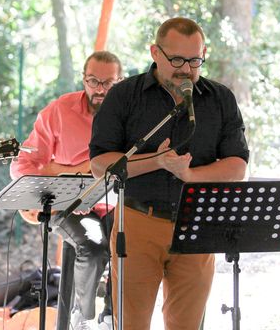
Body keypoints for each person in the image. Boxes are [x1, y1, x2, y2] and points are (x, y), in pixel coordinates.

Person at [89, 17, 249, 330]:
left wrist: (190, 175)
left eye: (194, 60)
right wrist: (157, 160)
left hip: (197, 226)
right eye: (176, 59)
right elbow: (100, 165)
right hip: (137, 224)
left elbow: (237, 166)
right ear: (155, 52)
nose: (186, 69)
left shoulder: (220, 99)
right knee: (131, 324)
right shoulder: (124, 95)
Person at [10, 50, 123, 330]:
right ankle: (81, 318)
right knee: (93, 247)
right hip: (69, 205)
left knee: (128, 244)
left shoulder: (129, 114)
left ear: (120, 82)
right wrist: (61, 174)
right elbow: (23, 163)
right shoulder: (60, 110)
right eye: (93, 81)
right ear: (83, 79)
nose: (100, 90)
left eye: (109, 83)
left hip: (113, 203)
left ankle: (111, 315)